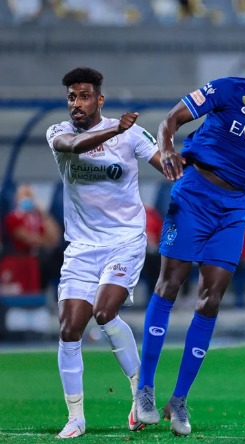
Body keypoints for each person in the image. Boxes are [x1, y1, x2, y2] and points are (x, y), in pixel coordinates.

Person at [134, 49, 245, 436]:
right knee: (170, 283)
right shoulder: (226, 91)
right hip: (194, 191)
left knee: (212, 299)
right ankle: (144, 388)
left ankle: (178, 400)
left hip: (235, 206)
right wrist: (170, 148)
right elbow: (172, 119)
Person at [46, 67, 163, 439]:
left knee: (104, 311)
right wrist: (116, 129)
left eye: (83, 96)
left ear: (99, 99)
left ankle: (139, 394)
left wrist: (193, 165)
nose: (75, 104)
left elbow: (164, 162)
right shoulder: (58, 134)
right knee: (69, 330)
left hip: (124, 241)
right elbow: (75, 147)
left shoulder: (131, 136)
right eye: (71, 97)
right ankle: (76, 418)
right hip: (81, 248)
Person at [3, 184, 62, 292]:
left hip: (33, 262)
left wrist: (43, 214)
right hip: (17, 262)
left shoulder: (36, 219)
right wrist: (46, 241)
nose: (27, 198)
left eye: (29, 196)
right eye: (24, 195)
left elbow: (54, 236)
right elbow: (28, 238)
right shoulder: (13, 218)